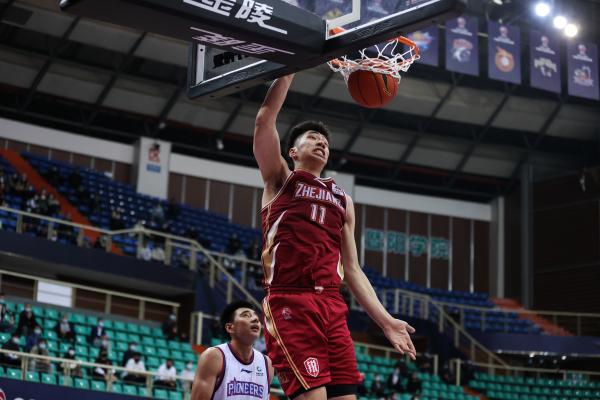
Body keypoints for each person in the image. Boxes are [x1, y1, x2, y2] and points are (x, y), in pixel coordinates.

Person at [252, 74, 416, 399]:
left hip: (332, 304)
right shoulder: (279, 178)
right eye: (312, 138)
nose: (321, 142)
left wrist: (385, 321)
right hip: (291, 299)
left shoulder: (343, 200)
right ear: (293, 151)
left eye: (325, 141)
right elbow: (263, 120)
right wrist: (289, 71)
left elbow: (353, 270)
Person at [191, 301, 273, 400]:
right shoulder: (214, 357)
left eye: (256, 317)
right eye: (246, 315)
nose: (255, 319)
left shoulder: (267, 363)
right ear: (230, 327)